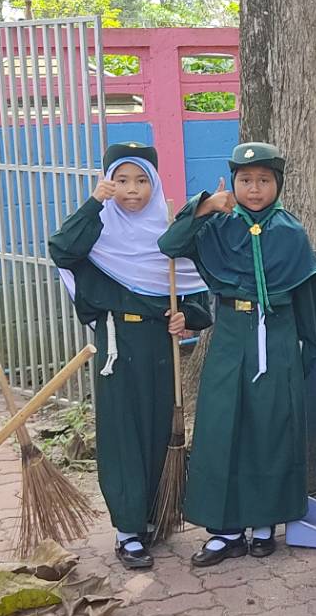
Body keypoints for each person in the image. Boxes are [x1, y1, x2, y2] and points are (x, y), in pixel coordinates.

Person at [48, 142, 213, 569]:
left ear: (155, 184)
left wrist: (187, 318)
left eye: (141, 180)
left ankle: (157, 515)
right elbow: (62, 249)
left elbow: (195, 295)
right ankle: (127, 530)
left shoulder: (168, 233)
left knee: (161, 430)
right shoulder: (98, 231)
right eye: (121, 180)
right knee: (123, 433)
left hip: (161, 346)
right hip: (118, 345)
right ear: (108, 182)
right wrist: (94, 202)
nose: (132, 190)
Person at [158, 142, 316, 566]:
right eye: (245, 180)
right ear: (233, 183)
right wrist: (205, 206)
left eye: (264, 180)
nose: (254, 189)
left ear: (278, 184)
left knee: (270, 429)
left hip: (277, 335)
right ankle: (225, 530)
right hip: (230, 335)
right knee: (221, 427)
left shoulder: (291, 232)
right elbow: (170, 244)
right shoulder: (219, 227)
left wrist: (306, 352)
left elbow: (307, 300)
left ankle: (265, 523)